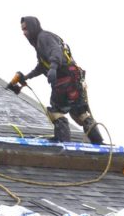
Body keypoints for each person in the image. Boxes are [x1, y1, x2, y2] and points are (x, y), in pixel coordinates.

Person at [11, 16, 105, 145]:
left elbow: (56, 52)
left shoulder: (43, 37)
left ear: (33, 27)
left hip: (64, 79)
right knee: (80, 112)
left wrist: (54, 67)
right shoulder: (40, 42)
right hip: (74, 78)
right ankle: (98, 141)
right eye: (22, 30)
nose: (24, 33)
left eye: (26, 29)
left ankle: (62, 140)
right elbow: (42, 66)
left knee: (55, 110)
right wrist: (26, 77)